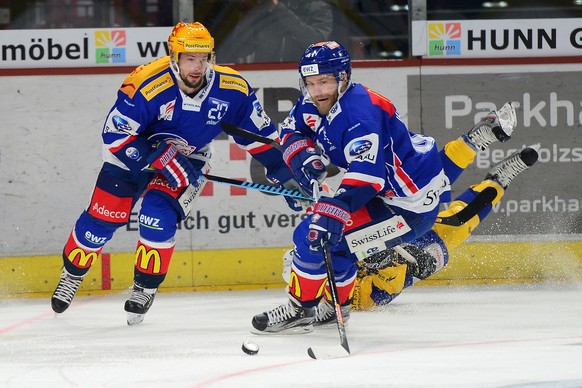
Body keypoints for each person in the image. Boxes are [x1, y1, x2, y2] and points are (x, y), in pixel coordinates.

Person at [51, 22, 302, 325]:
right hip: (131, 156)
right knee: (101, 221)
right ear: (174, 56)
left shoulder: (232, 89)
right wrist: (158, 155)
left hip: (188, 158)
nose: (197, 67)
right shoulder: (146, 83)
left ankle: (144, 287)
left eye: (204, 58)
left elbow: (257, 134)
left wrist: (282, 170)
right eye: (189, 59)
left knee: (157, 218)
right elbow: (114, 136)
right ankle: (72, 274)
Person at [252, 40, 509, 335]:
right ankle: (335, 309)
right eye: (311, 83)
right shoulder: (315, 102)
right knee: (332, 242)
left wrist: (335, 209)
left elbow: (367, 176)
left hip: (408, 205)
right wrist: (306, 159)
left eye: (324, 81)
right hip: (399, 187)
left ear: (343, 77)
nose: (317, 90)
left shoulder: (359, 115)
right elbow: (291, 130)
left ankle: (300, 309)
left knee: (314, 234)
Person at [352, 143, 540, 310]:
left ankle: (474, 140)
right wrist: (389, 260)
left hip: (390, 222)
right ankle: (500, 179)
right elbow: (382, 290)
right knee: (462, 220)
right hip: (411, 256)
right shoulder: (356, 297)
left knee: (425, 184)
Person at [218, 0, 333, 63]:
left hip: (305, 76)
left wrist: (278, 9)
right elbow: (240, 50)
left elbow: (316, 43)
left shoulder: (318, 7)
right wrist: (246, 16)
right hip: (263, 76)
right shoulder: (264, 8)